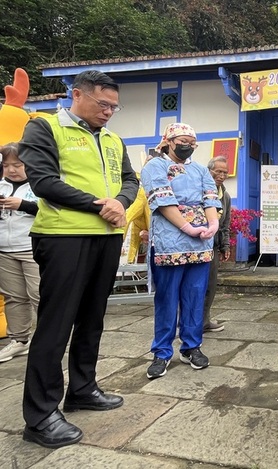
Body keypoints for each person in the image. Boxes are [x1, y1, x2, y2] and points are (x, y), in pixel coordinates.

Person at [19, 70, 139, 448]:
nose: (108, 113)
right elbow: (43, 182)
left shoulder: (113, 139)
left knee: (92, 319)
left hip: (106, 238)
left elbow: (131, 181)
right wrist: (98, 205)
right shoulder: (45, 129)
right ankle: (39, 416)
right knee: (56, 323)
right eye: (103, 104)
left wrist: (120, 202)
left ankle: (83, 389)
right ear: (77, 95)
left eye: (114, 108)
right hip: (62, 236)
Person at [141, 122, 221, 380]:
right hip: (170, 241)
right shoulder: (155, 166)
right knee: (167, 298)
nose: (187, 146)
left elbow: (210, 198)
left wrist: (213, 224)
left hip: (200, 243)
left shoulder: (200, 170)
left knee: (195, 296)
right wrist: (188, 226)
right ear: (169, 141)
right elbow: (162, 200)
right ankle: (162, 352)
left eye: (191, 142)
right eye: (182, 141)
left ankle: (191, 346)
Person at [0, 143, 39, 363]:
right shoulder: (1, 186)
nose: (12, 170)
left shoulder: (39, 185)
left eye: (17, 165)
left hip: (31, 247)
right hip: (5, 249)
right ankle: (19, 340)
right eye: (7, 165)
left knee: (39, 294)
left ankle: (49, 339)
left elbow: (50, 209)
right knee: (14, 297)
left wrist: (23, 205)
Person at [203, 155, 232, 332]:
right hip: (197, 244)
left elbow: (225, 224)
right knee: (194, 285)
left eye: (224, 172)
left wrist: (225, 246)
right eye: (218, 171)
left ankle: (204, 320)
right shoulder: (200, 190)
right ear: (209, 171)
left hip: (213, 246)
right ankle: (186, 322)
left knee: (210, 286)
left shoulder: (225, 196)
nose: (221, 175)